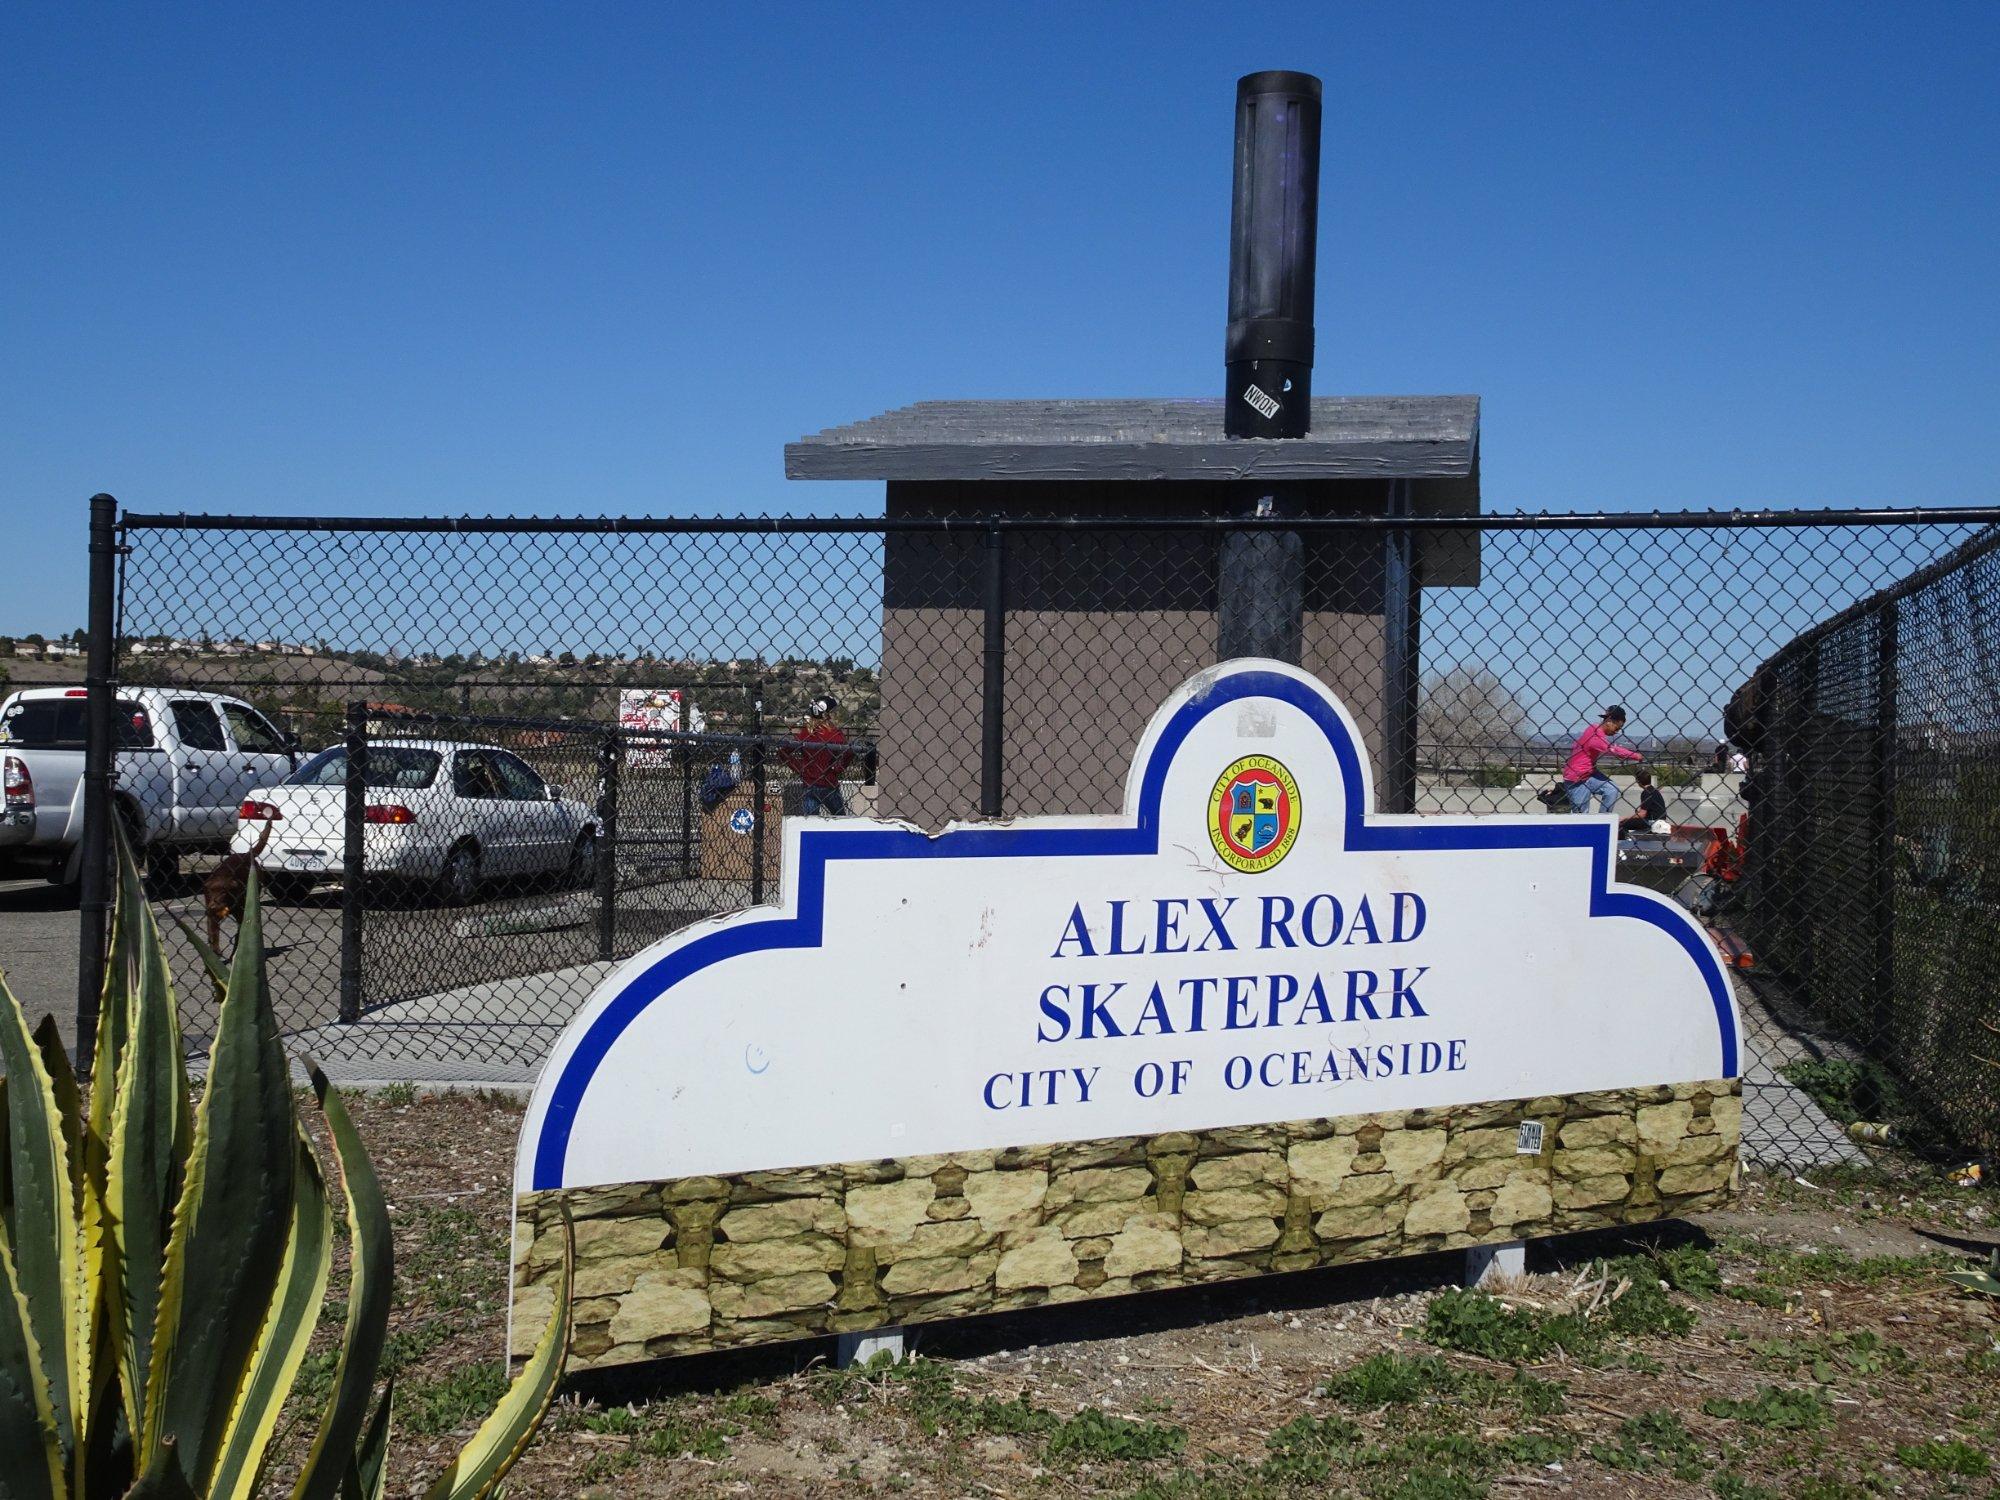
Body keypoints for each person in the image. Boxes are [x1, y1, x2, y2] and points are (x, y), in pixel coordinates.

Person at [1563, 703, 1643, 814]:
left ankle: (1603, 819)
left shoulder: (1594, 729)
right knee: (1581, 815)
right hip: (1577, 779)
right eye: (1617, 727)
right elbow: (1612, 750)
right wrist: (1635, 756)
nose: (1616, 732)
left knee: (1611, 790)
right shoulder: (1595, 735)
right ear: (1609, 721)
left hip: (1589, 774)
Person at [782, 695, 853, 815]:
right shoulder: (834, 734)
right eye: (833, 712)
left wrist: (801, 769)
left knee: (810, 821)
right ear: (826, 714)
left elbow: (783, 752)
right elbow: (849, 752)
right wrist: (838, 768)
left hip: (810, 784)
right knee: (840, 819)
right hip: (829, 784)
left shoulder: (806, 733)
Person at [1618, 768, 1669, 836]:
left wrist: (1625, 818)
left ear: (1638, 781)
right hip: (1660, 820)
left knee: (1622, 823)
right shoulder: (1654, 790)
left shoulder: (1646, 792)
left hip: (1652, 821)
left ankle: (1624, 841)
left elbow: (1642, 814)